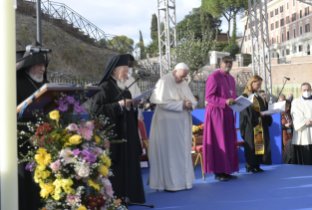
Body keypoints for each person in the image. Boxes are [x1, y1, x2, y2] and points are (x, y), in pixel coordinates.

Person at [91, 54, 145, 203]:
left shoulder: (125, 89)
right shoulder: (104, 87)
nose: (127, 76)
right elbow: (97, 111)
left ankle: (130, 196)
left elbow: (129, 114)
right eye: (124, 72)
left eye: (128, 72)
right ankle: (116, 198)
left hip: (126, 136)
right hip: (113, 136)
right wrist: (120, 105)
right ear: (114, 71)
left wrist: (133, 107)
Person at [149, 62, 197, 191]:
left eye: (185, 77)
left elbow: (193, 101)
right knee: (171, 153)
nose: (183, 79)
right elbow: (162, 103)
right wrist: (181, 104)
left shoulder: (183, 83)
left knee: (182, 152)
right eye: (181, 76)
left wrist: (190, 103)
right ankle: (172, 184)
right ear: (175, 71)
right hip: (168, 126)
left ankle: (185, 182)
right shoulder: (163, 82)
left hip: (182, 124)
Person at [16, 41, 49, 210]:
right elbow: (8, 117)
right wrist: (27, 137)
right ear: (29, 65)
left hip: (43, 144)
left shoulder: (45, 85)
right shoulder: (15, 83)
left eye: (44, 65)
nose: (43, 69)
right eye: (38, 65)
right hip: (21, 146)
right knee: (26, 190)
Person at [203, 56, 239, 182]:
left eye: (230, 62)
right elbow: (209, 97)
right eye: (226, 62)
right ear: (220, 63)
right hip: (216, 113)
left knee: (228, 142)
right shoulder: (214, 77)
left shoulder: (231, 79)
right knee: (220, 142)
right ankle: (219, 172)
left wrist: (240, 100)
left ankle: (227, 170)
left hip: (228, 113)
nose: (229, 64)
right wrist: (225, 101)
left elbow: (232, 95)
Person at [239, 75, 273, 173]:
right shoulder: (246, 95)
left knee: (259, 145)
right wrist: (258, 114)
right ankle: (249, 166)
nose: (259, 86)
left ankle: (256, 164)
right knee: (251, 144)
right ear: (252, 83)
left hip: (259, 124)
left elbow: (263, 107)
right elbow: (246, 111)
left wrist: (266, 109)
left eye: (260, 84)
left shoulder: (257, 96)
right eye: (258, 84)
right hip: (250, 124)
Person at [291, 82, 312, 165]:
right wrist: (306, 122)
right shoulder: (296, 102)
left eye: (308, 90)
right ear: (301, 91)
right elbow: (296, 115)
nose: (306, 91)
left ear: (311, 90)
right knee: (304, 158)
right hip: (303, 130)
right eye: (304, 90)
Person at [124, 54, 144, 120]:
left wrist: (140, 104)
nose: (130, 69)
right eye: (129, 66)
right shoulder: (117, 80)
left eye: (131, 67)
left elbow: (139, 95)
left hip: (133, 115)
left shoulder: (132, 79)